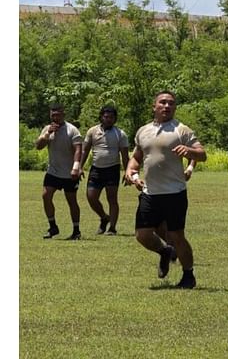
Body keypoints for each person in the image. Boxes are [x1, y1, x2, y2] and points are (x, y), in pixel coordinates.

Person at [125, 91, 207, 289]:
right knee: (142, 235)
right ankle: (164, 251)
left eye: (171, 103)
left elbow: (202, 154)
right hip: (150, 193)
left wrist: (190, 151)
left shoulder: (181, 130)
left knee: (177, 236)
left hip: (174, 193)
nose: (167, 106)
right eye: (162, 102)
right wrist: (130, 171)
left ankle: (189, 276)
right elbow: (137, 156)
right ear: (154, 106)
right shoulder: (143, 131)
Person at [35, 102, 83, 240]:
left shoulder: (72, 130)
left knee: (72, 201)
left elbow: (78, 149)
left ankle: (76, 230)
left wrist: (76, 167)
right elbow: (38, 146)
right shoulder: (47, 129)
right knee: (46, 196)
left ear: (63, 114)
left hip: (69, 173)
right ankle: (53, 227)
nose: (55, 117)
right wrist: (47, 134)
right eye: (52, 114)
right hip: (53, 171)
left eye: (57, 114)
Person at [79, 105, 129, 235]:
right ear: (101, 117)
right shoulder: (92, 131)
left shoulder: (120, 134)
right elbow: (85, 150)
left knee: (112, 199)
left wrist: (127, 172)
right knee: (91, 197)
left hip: (112, 169)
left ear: (115, 119)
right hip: (96, 169)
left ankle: (112, 228)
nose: (108, 120)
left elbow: (125, 155)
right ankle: (104, 217)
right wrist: (79, 166)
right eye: (106, 117)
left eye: (111, 117)